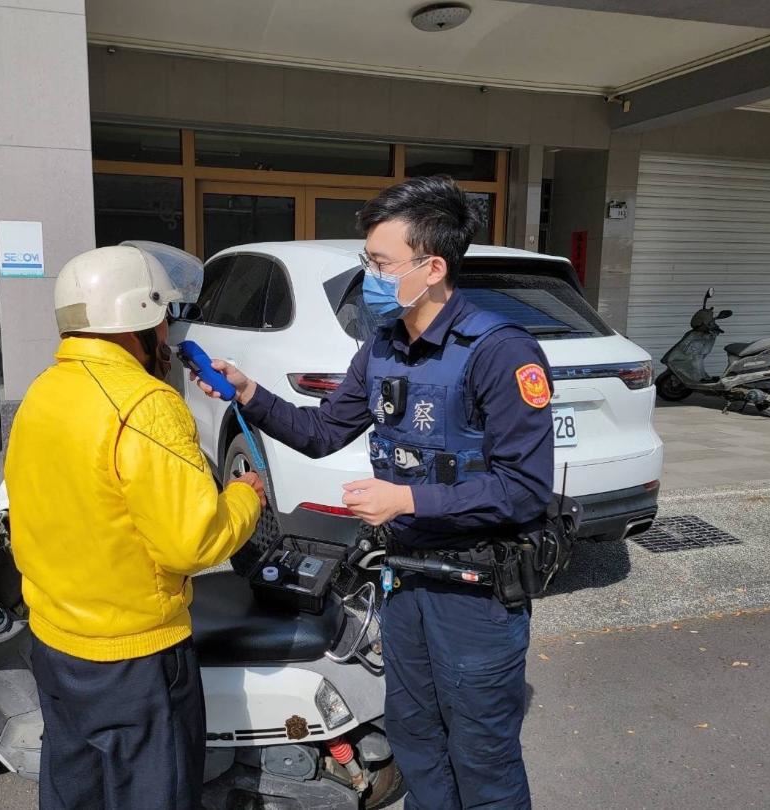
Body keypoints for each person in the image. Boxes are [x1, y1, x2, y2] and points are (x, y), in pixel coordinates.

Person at [195, 176, 554, 809]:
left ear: (432, 267)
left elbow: (524, 489)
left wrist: (406, 500)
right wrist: (249, 392)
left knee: (482, 755)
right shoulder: (383, 347)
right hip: (405, 583)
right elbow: (322, 432)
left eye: (382, 263)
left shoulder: (499, 352)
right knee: (416, 739)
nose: (370, 276)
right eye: (368, 260)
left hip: (475, 593)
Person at [5, 244, 266, 810]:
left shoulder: (42, 390)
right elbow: (193, 541)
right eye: (164, 318)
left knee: (75, 790)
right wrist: (245, 497)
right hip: (135, 659)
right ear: (138, 321)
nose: (168, 334)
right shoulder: (146, 404)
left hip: (54, 641)